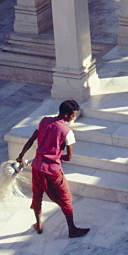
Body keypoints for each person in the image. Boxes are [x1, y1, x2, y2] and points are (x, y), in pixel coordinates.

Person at [16, 99, 90, 238]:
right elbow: (68, 157)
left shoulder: (44, 121)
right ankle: (72, 229)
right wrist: (56, 156)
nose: (74, 118)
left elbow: (32, 139)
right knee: (65, 198)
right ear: (67, 115)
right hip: (52, 171)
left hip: (37, 167)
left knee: (37, 195)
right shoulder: (67, 131)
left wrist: (21, 155)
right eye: (73, 115)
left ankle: (38, 225)